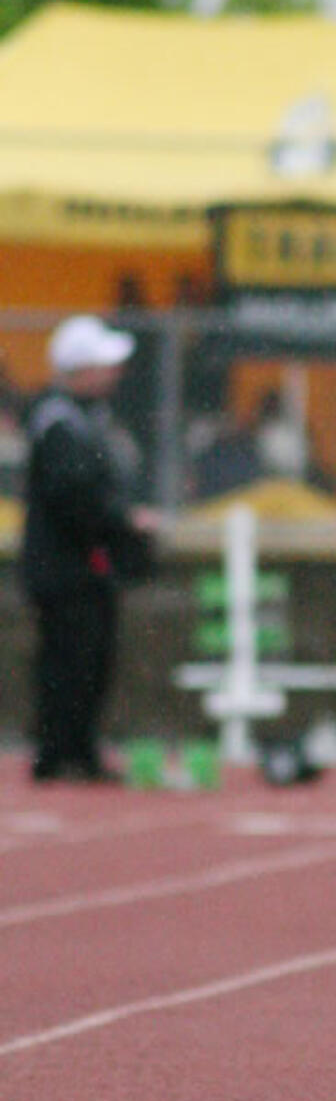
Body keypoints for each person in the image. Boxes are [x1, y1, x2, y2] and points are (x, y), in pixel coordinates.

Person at [20, 314, 160, 783]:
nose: (114, 373)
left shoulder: (85, 418)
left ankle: (78, 748)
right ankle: (59, 751)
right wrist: (121, 522)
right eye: (103, 364)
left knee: (92, 661)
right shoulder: (60, 422)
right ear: (81, 368)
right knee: (68, 661)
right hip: (64, 568)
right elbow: (73, 495)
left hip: (84, 567)